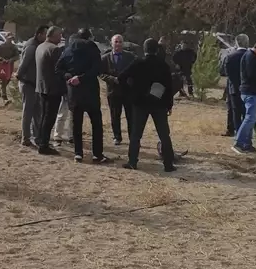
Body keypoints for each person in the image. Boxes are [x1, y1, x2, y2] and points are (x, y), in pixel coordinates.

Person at [115, 38, 176, 172]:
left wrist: (131, 93)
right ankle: (168, 164)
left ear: (144, 49)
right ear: (157, 50)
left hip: (140, 103)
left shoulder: (138, 63)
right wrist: (169, 104)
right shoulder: (163, 65)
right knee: (164, 135)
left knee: (136, 135)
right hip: (159, 104)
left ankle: (132, 162)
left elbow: (121, 78)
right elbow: (169, 87)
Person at [57, 28, 107, 163]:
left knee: (76, 123)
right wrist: (82, 78)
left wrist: (69, 77)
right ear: (89, 37)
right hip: (90, 90)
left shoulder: (68, 49)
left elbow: (58, 68)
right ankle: (97, 154)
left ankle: (78, 153)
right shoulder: (93, 48)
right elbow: (97, 69)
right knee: (96, 124)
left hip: (74, 91)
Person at [233, 38, 256, 154]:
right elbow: (251, 74)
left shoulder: (253, 57)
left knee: (250, 119)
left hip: (253, 92)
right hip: (251, 92)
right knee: (250, 118)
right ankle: (239, 143)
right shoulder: (250, 57)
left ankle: (247, 144)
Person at [35, 26, 66, 155]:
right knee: (49, 118)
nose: (61, 38)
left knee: (43, 116)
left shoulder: (40, 46)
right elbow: (60, 69)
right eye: (59, 35)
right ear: (53, 35)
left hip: (41, 87)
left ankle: (40, 139)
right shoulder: (54, 49)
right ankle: (44, 145)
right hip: (52, 89)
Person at [100, 34, 134, 146]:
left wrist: (129, 79)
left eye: (120, 42)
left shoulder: (130, 56)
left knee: (131, 116)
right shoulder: (105, 58)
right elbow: (101, 73)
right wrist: (112, 79)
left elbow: (136, 71)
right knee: (115, 115)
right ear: (111, 43)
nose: (118, 44)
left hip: (128, 91)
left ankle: (133, 137)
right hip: (113, 91)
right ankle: (117, 136)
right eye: (116, 42)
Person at [17, 26, 47, 147]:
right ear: (39, 34)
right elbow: (24, 63)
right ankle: (25, 138)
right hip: (28, 83)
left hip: (35, 84)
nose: (47, 37)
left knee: (37, 112)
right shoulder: (32, 46)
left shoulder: (38, 45)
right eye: (45, 34)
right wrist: (19, 76)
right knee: (28, 112)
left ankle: (37, 137)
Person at [221, 34, 250, 136]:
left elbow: (225, 72)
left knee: (234, 111)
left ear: (237, 43)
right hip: (248, 88)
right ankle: (247, 134)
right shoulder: (251, 56)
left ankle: (234, 131)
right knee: (247, 113)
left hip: (234, 87)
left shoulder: (230, 56)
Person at [0, 32, 20, 105]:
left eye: (11, 38)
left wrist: (11, 60)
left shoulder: (14, 47)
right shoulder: (1, 46)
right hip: (2, 65)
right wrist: (2, 59)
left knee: (7, 80)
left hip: (10, 66)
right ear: (6, 38)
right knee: (2, 80)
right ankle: (4, 98)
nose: (10, 40)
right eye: (9, 38)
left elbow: (17, 56)